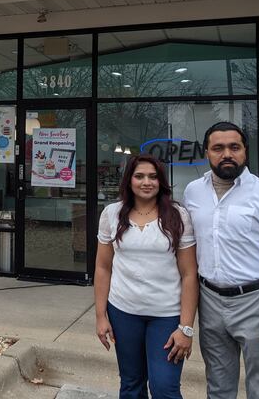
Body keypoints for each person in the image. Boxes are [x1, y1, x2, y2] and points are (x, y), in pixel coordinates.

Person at [183, 122, 259, 399]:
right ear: (207, 153)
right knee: (218, 386)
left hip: (256, 302)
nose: (227, 154)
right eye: (218, 148)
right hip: (209, 301)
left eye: (234, 147)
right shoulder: (192, 193)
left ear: (245, 151)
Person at [95, 154, 199, 399]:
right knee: (131, 384)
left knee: (164, 388)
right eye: (139, 176)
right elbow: (103, 267)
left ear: (161, 181)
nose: (146, 182)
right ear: (129, 180)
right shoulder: (112, 213)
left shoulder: (177, 215)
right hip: (123, 312)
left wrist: (186, 328)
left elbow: (189, 274)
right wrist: (101, 316)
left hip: (166, 315)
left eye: (153, 176)